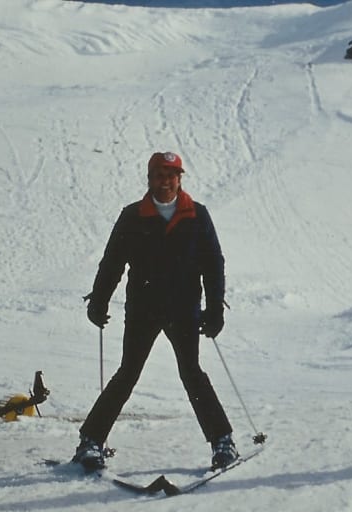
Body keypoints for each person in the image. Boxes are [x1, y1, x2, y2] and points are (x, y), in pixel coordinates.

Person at [72, 151, 235, 472]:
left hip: (184, 310)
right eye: (160, 175)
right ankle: (90, 442)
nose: (166, 181)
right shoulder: (132, 216)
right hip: (143, 309)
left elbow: (213, 264)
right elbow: (113, 261)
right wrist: (99, 299)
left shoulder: (197, 215)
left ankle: (223, 442)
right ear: (150, 179)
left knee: (192, 374)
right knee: (127, 374)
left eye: (172, 175)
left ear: (179, 179)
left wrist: (215, 307)